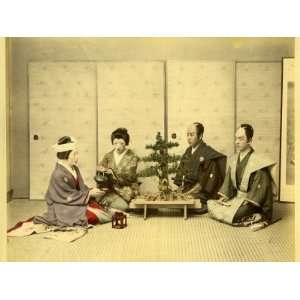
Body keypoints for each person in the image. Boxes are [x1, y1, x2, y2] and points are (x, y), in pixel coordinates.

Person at [33, 136, 112, 228]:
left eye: (77, 154)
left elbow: (81, 187)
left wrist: (91, 191)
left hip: (73, 201)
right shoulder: (58, 174)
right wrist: (89, 194)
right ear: (66, 155)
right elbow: (66, 195)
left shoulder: (74, 168)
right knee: (92, 216)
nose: (77, 157)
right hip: (62, 205)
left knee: (99, 210)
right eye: (74, 154)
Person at [207, 124, 277, 226]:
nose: (236, 142)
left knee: (235, 214)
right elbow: (228, 184)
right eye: (236, 138)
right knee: (211, 204)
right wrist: (224, 197)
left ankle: (257, 215)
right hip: (237, 198)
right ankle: (246, 215)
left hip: (251, 201)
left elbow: (260, 190)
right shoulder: (234, 160)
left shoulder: (259, 163)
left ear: (249, 140)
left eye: (241, 139)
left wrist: (246, 203)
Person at [173, 122, 226, 212]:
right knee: (173, 198)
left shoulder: (208, 154)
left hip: (200, 192)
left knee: (186, 201)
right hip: (187, 189)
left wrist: (185, 194)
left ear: (200, 136)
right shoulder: (188, 151)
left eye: (192, 135)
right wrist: (179, 190)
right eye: (187, 135)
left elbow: (202, 185)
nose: (189, 138)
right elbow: (181, 173)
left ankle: (205, 206)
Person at [96, 128, 140, 211]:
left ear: (126, 143)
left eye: (121, 143)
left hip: (125, 188)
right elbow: (100, 167)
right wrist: (102, 171)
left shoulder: (132, 156)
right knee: (96, 197)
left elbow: (130, 177)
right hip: (110, 188)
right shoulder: (108, 155)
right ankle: (108, 206)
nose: (118, 146)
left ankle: (109, 207)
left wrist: (112, 173)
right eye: (115, 143)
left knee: (124, 206)